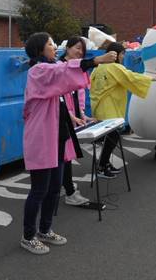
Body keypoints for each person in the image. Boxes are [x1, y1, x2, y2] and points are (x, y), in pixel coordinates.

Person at [21, 32, 116, 255]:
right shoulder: (38, 71)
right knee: (39, 190)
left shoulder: (50, 71)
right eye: (51, 45)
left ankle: (45, 230)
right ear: (39, 50)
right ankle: (28, 236)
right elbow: (62, 71)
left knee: (54, 189)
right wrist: (94, 61)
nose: (55, 48)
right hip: (43, 139)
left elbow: (64, 88)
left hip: (57, 137)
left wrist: (77, 117)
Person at [90, 42, 155, 178]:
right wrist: (152, 78)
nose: (123, 57)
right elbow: (131, 77)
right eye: (123, 54)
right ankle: (102, 166)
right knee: (113, 137)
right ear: (116, 54)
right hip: (110, 108)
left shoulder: (98, 68)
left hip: (99, 107)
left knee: (110, 138)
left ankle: (105, 163)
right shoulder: (114, 67)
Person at [59, 37, 92, 206]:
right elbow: (60, 97)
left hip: (71, 117)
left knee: (66, 155)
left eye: (82, 50)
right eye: (77, 48)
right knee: (65, 155)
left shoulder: (79, 68)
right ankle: (70, 192)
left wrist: (82, 113)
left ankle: (64, 186)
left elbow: (79, 93)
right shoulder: (59, 67)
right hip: (61, 118)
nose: (79, 52)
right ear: (67, 48)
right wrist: (70, 115)